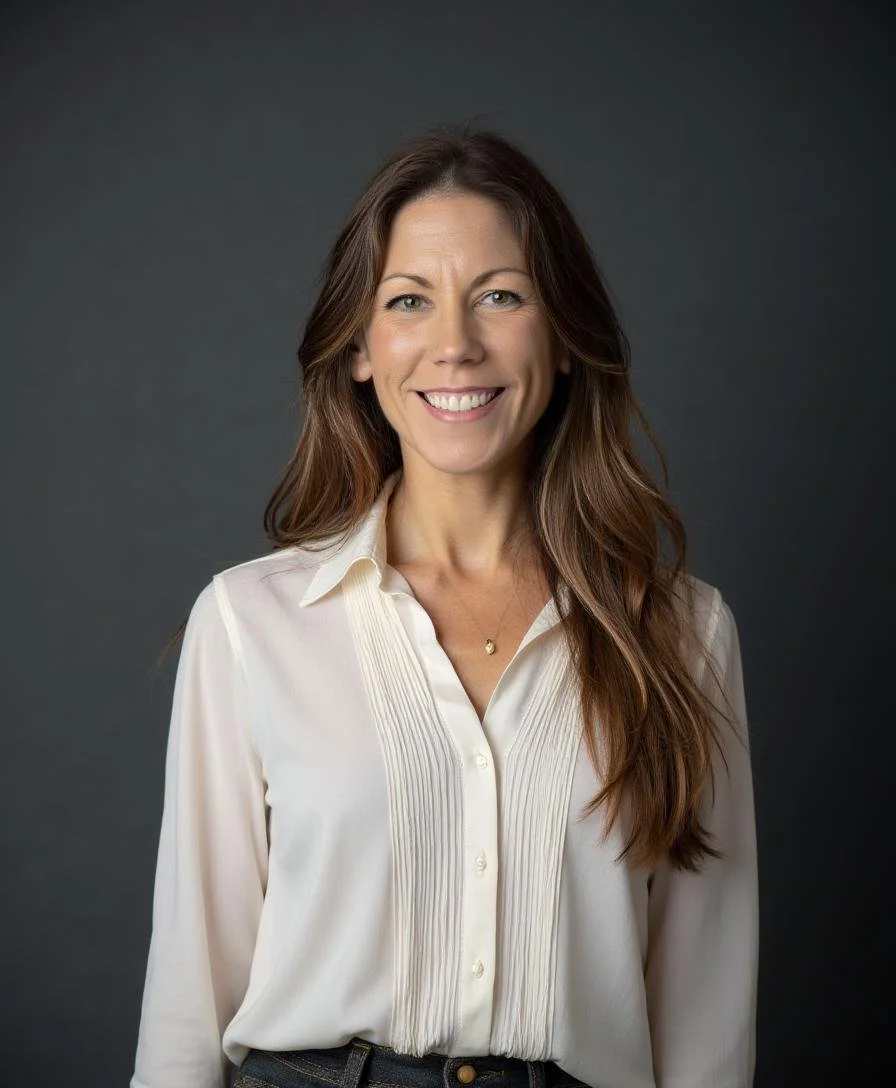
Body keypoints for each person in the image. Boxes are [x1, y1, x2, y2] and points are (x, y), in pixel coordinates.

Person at [130, 124, 759, 1088]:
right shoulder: (250, 625)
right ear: (359, 350)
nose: (456, 346)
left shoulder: (681, 634)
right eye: (410, 301)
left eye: (500, 297)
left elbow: (706, 1013)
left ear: (562, 337)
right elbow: (189, 995)